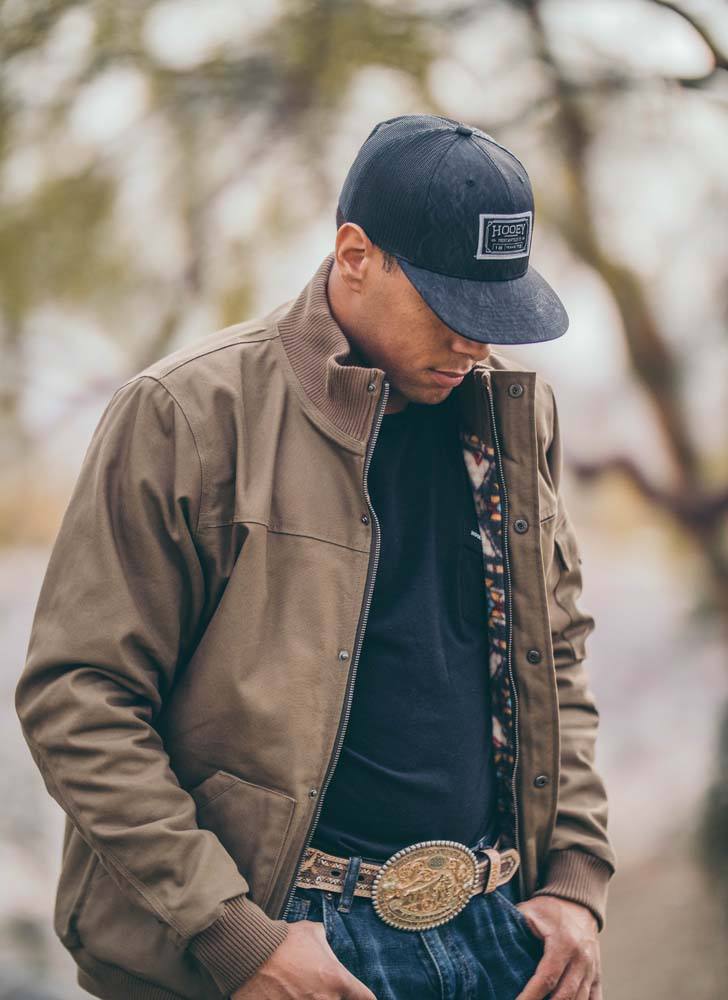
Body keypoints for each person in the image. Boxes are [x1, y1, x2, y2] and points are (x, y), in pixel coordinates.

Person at [15, 114, 616, 1000]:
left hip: (497, 928)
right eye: (450, 308)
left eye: (494, 312)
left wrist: (576, 881)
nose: (475, 343)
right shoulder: (189, 412)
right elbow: (80, 698)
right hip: (283, 942)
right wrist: (237, 936)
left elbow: (554, 659)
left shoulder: (516, 419)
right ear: (354, 253)